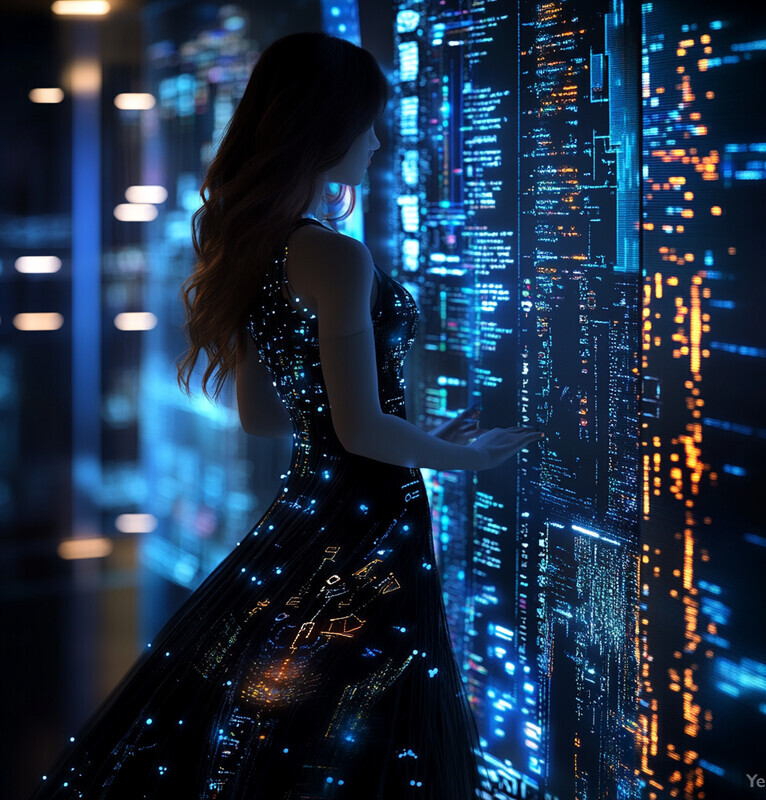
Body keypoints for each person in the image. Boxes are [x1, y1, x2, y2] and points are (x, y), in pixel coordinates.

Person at [31, 32, 543, 799]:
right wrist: (465, 456)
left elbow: (269, 417)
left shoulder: (258, 248)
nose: (377, 140)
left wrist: (414, 434)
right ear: (328, 122)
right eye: (370, 121)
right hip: (366, 521)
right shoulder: (336, 257)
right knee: (366, 728)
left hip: (306, 520)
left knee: (288, 726)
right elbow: (357, 428)